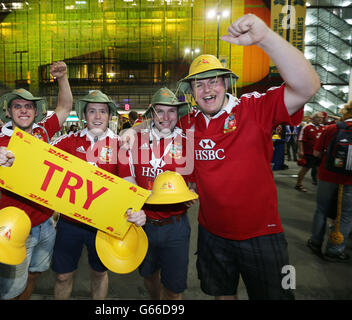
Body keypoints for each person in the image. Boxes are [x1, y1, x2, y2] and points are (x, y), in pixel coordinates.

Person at [122, 13, 320, 300]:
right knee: (221, 295)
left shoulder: (254, 109)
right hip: (212, 232)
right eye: (199, 84)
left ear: (226, 83)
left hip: (262, 234)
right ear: (191, 92)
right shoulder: (189, 123)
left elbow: (307, 87)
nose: (207, 89)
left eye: (214, 81)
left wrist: (265, 37)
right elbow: (159, 119)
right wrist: (134, 129)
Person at [0, 61, 73, 300]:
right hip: (15, 228)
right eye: (17, 106)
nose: (23, 110)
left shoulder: (43, 132)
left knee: (35, 273)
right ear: (9, 112)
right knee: (11, 288)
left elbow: (64, 107)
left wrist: (62, 78)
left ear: (35, 111)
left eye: (28, 106)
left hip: (46, 224)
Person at [49, 90, 146, 300]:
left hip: (103, 225)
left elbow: (129, 180)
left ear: (109, 115)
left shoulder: (119, 144)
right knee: (63, 276)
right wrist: (11, 153)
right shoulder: (69, 141)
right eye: (92, 111)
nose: (97, 116)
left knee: (99, 274)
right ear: (84, 115)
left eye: (102, 111)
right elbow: (40, 156)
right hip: (70, 221)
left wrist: (134, 208)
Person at [119, 87, 196, 300]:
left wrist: (192, 191)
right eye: (160, 111)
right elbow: (127, 179)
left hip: (176, 226)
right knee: (149, 276)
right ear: (152, 113)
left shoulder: (187, 141)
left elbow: (196, 177)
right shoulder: (134, 139)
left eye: (171, 111)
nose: (165, 117)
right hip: (144, 226)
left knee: (174, 289)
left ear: (177, 114)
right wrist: (133, 208)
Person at [307, 101, 352, 262]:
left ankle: (315, 241)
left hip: (327, 176)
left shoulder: (331, 129)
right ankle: (335, 249)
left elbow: (317, 152)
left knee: (321, 209)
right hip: (350, 181)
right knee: (346, 215)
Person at [295, 112, 325, 191]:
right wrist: (301, 151)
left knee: (320, 170)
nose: (320, 119)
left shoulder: (323, 128)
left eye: (321, 118)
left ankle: (320, 186)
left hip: (319, 154)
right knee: (305, 169)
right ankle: (298, 184)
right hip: (309, 153)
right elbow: (300, 140)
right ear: (313, 118)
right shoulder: (307, 127)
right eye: (318, 117)